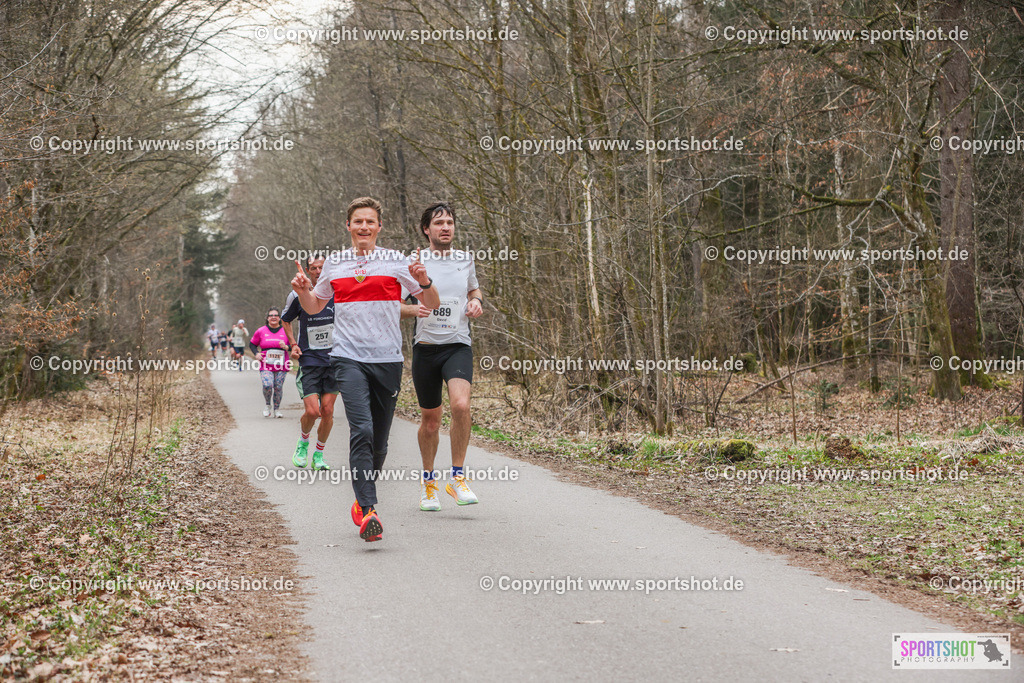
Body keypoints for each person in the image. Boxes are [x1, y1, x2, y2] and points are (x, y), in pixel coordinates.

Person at [290, 196, 439, 542]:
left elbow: (432, 304)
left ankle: (362, 500)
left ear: (379, 227)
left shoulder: (397, 262)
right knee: (362, 430)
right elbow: (314, 307)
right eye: (358, 221)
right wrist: (302, 293)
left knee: (380, 444)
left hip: (387, 359)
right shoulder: (335, 264)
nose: (364, 227)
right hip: (347, 358)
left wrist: (424, 282)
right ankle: (369, 510)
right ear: (348, 226)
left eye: (370, 222)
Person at [409, 203, 483, 511]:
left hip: (457, 344)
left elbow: (474, 291)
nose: (446, 227)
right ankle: (429, 485)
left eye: (450, 222)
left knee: (461, 405)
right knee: (430, 421)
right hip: (425, 347)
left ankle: (457, 477)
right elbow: (395, 303)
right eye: (439, 222)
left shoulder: (465, 259)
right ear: (427, 229)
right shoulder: (413, 261)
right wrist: (413, 308)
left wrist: (477, 303)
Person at [282, 254, 337, 471]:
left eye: (321, 267)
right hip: (310, 360)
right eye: (313, 268)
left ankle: (319, 455)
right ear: (307, 270)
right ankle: (303, 442)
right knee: (313, 411)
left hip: (334, 359)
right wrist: (293, 344)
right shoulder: (297, 295)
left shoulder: (337, 293)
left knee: (328, 410)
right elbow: (286, 320)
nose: (317, 271)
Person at [248, 309, 291, 418]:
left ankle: (277, 409)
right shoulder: (261, 331)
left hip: (282, 364)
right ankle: (268, 405)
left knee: (278, 386)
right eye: (271, 315)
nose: (273, 317)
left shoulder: (286, 330)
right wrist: (256, 354)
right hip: (266, 364)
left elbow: (294, 345)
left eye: (276, 315)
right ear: (267, 318)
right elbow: (252, 344)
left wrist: (286, 347)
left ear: (279, 318)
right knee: (267, 385)